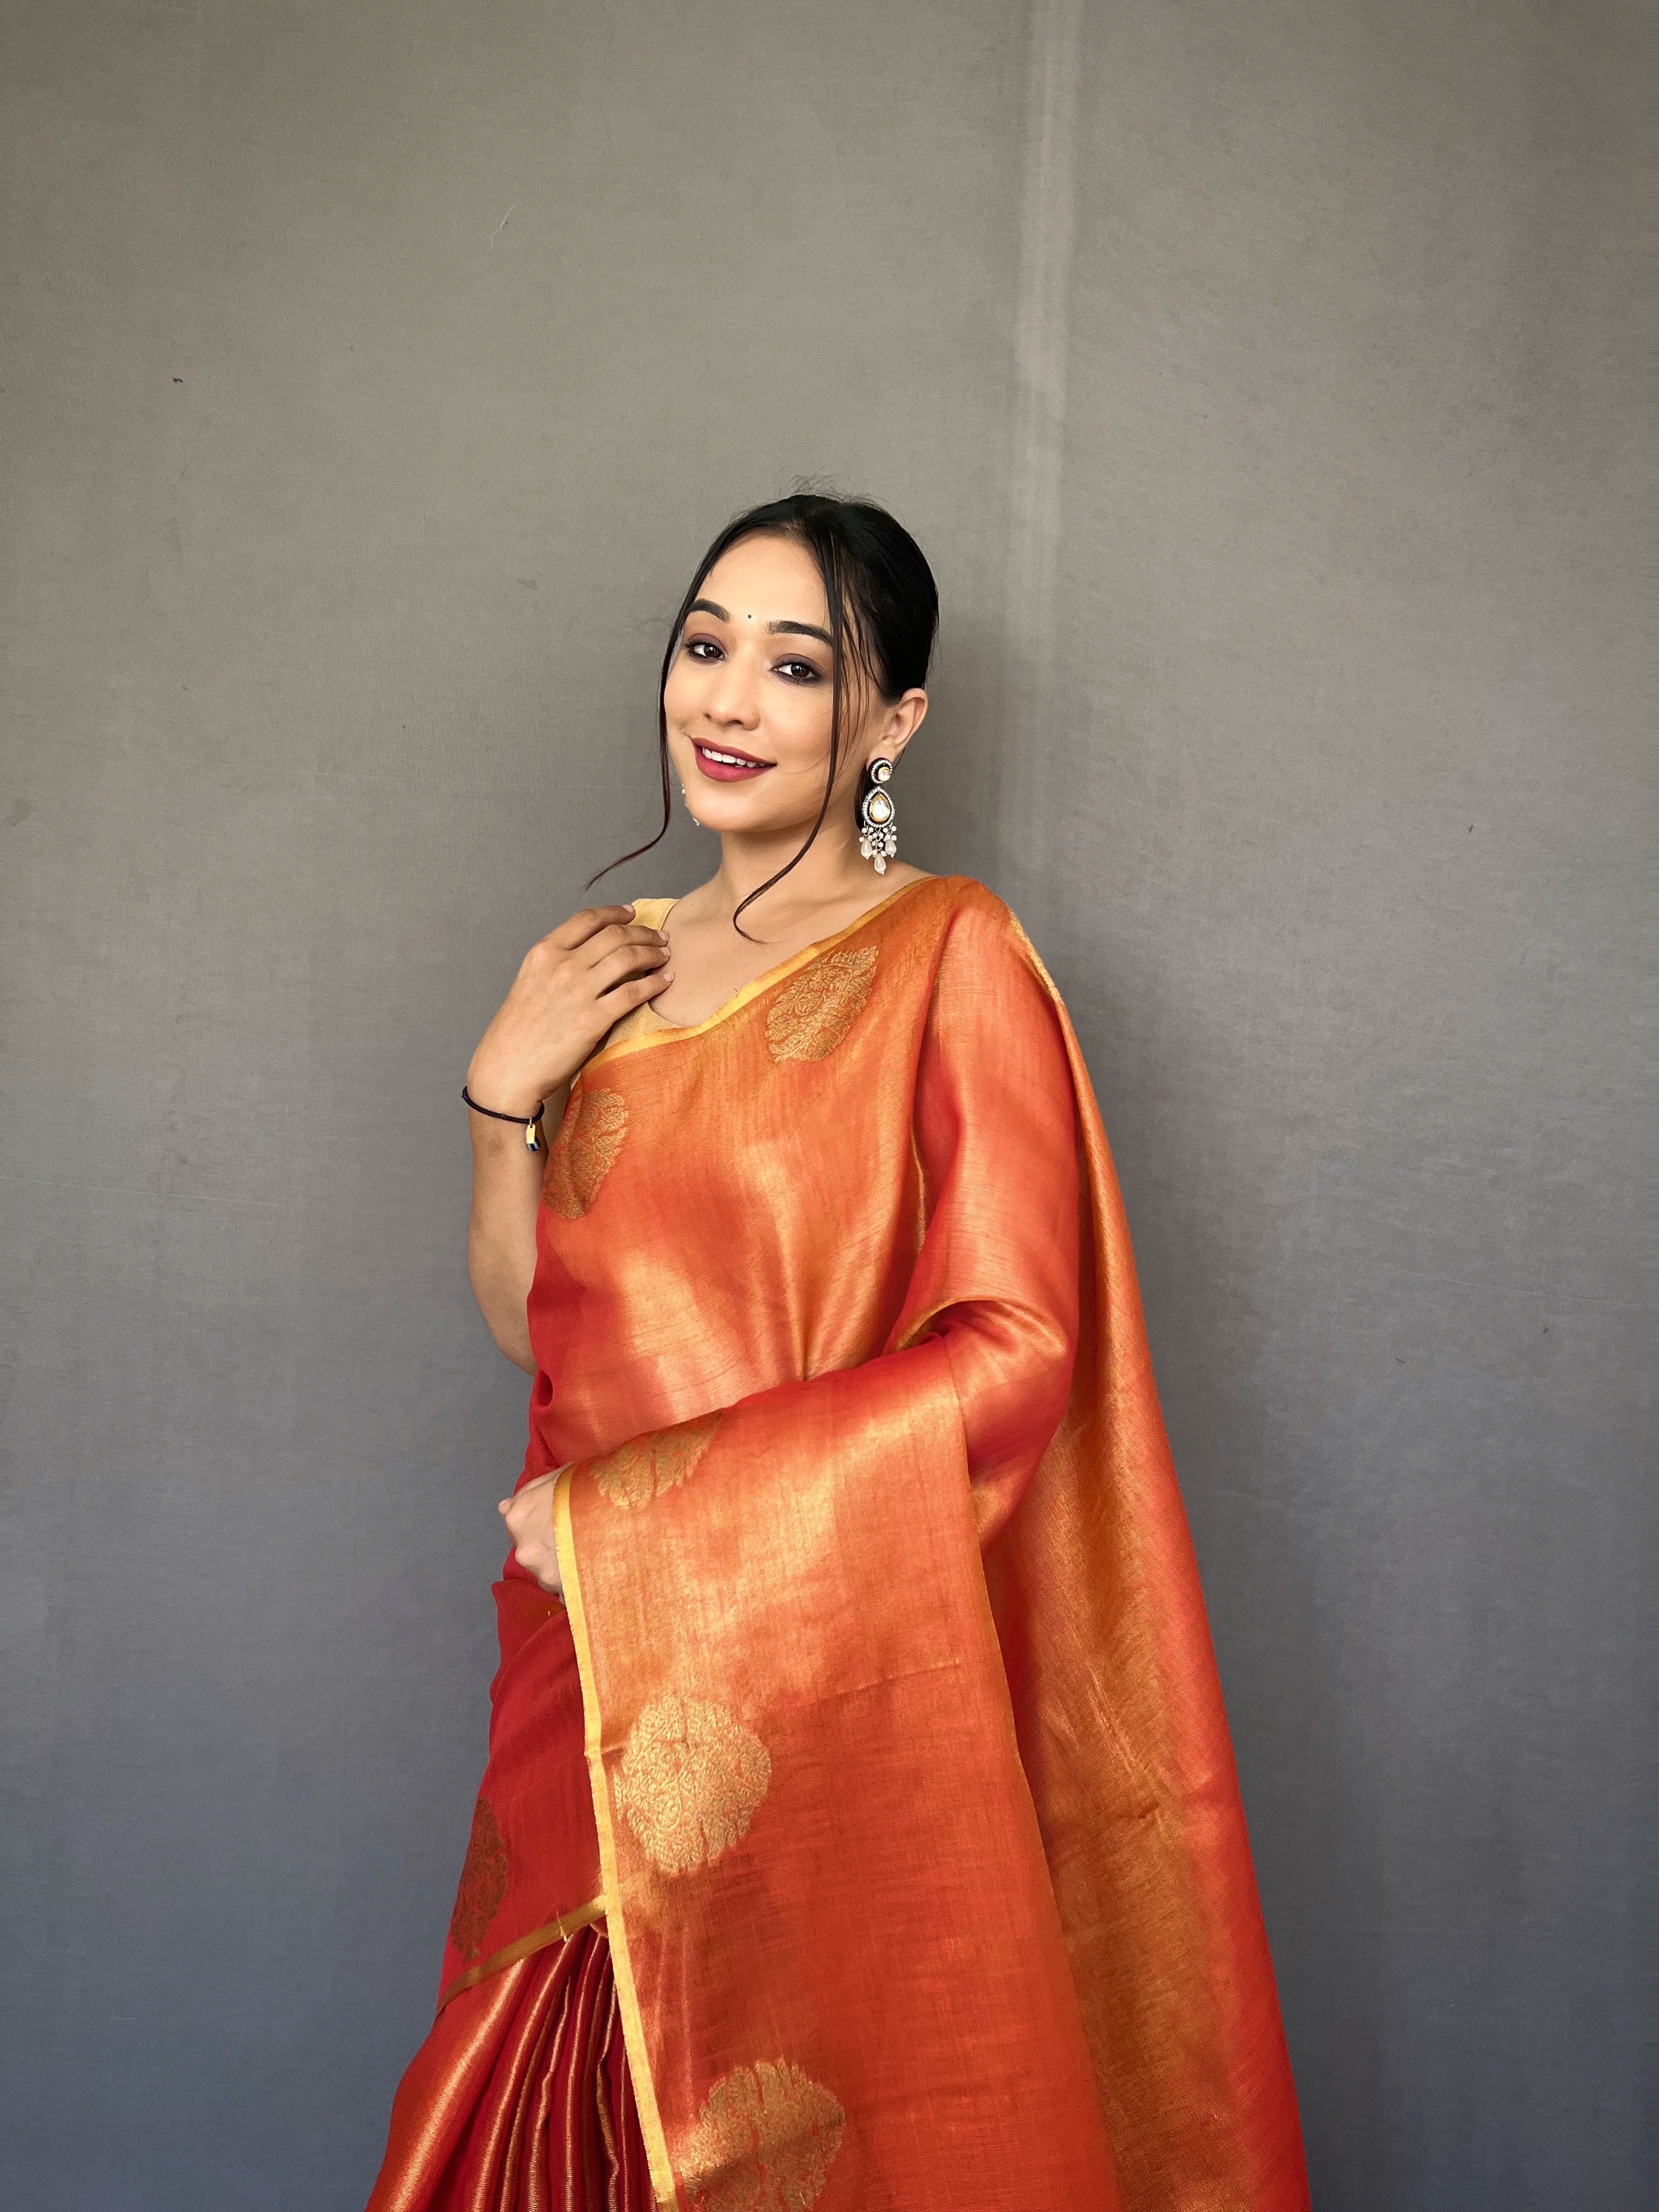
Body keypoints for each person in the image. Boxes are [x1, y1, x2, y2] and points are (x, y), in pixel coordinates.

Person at [365, 493, 1310, 2212]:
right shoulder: (609, 969)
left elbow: (1021, 1346)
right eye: (705, 645)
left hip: (812, 1659)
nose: (725, 700)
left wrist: (648, 1524)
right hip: (583, 1673)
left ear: (892, 723)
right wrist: (503, 1093)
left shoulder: (950, 953)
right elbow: (543, 1334)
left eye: (795, 667)